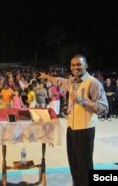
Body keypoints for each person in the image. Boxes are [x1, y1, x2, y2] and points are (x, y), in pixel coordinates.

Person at [39, 55, 108, 186]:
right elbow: (58, 80)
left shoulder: (93, 83)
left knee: (84, 165)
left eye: (79, 64)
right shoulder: (71, 82)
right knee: (74, 163)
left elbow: (104, 108)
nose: (75, 67)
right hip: (72, 128)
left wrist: (82, 101)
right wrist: (46, 76)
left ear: (86, 66)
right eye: (73, 65)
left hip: (85, 130)